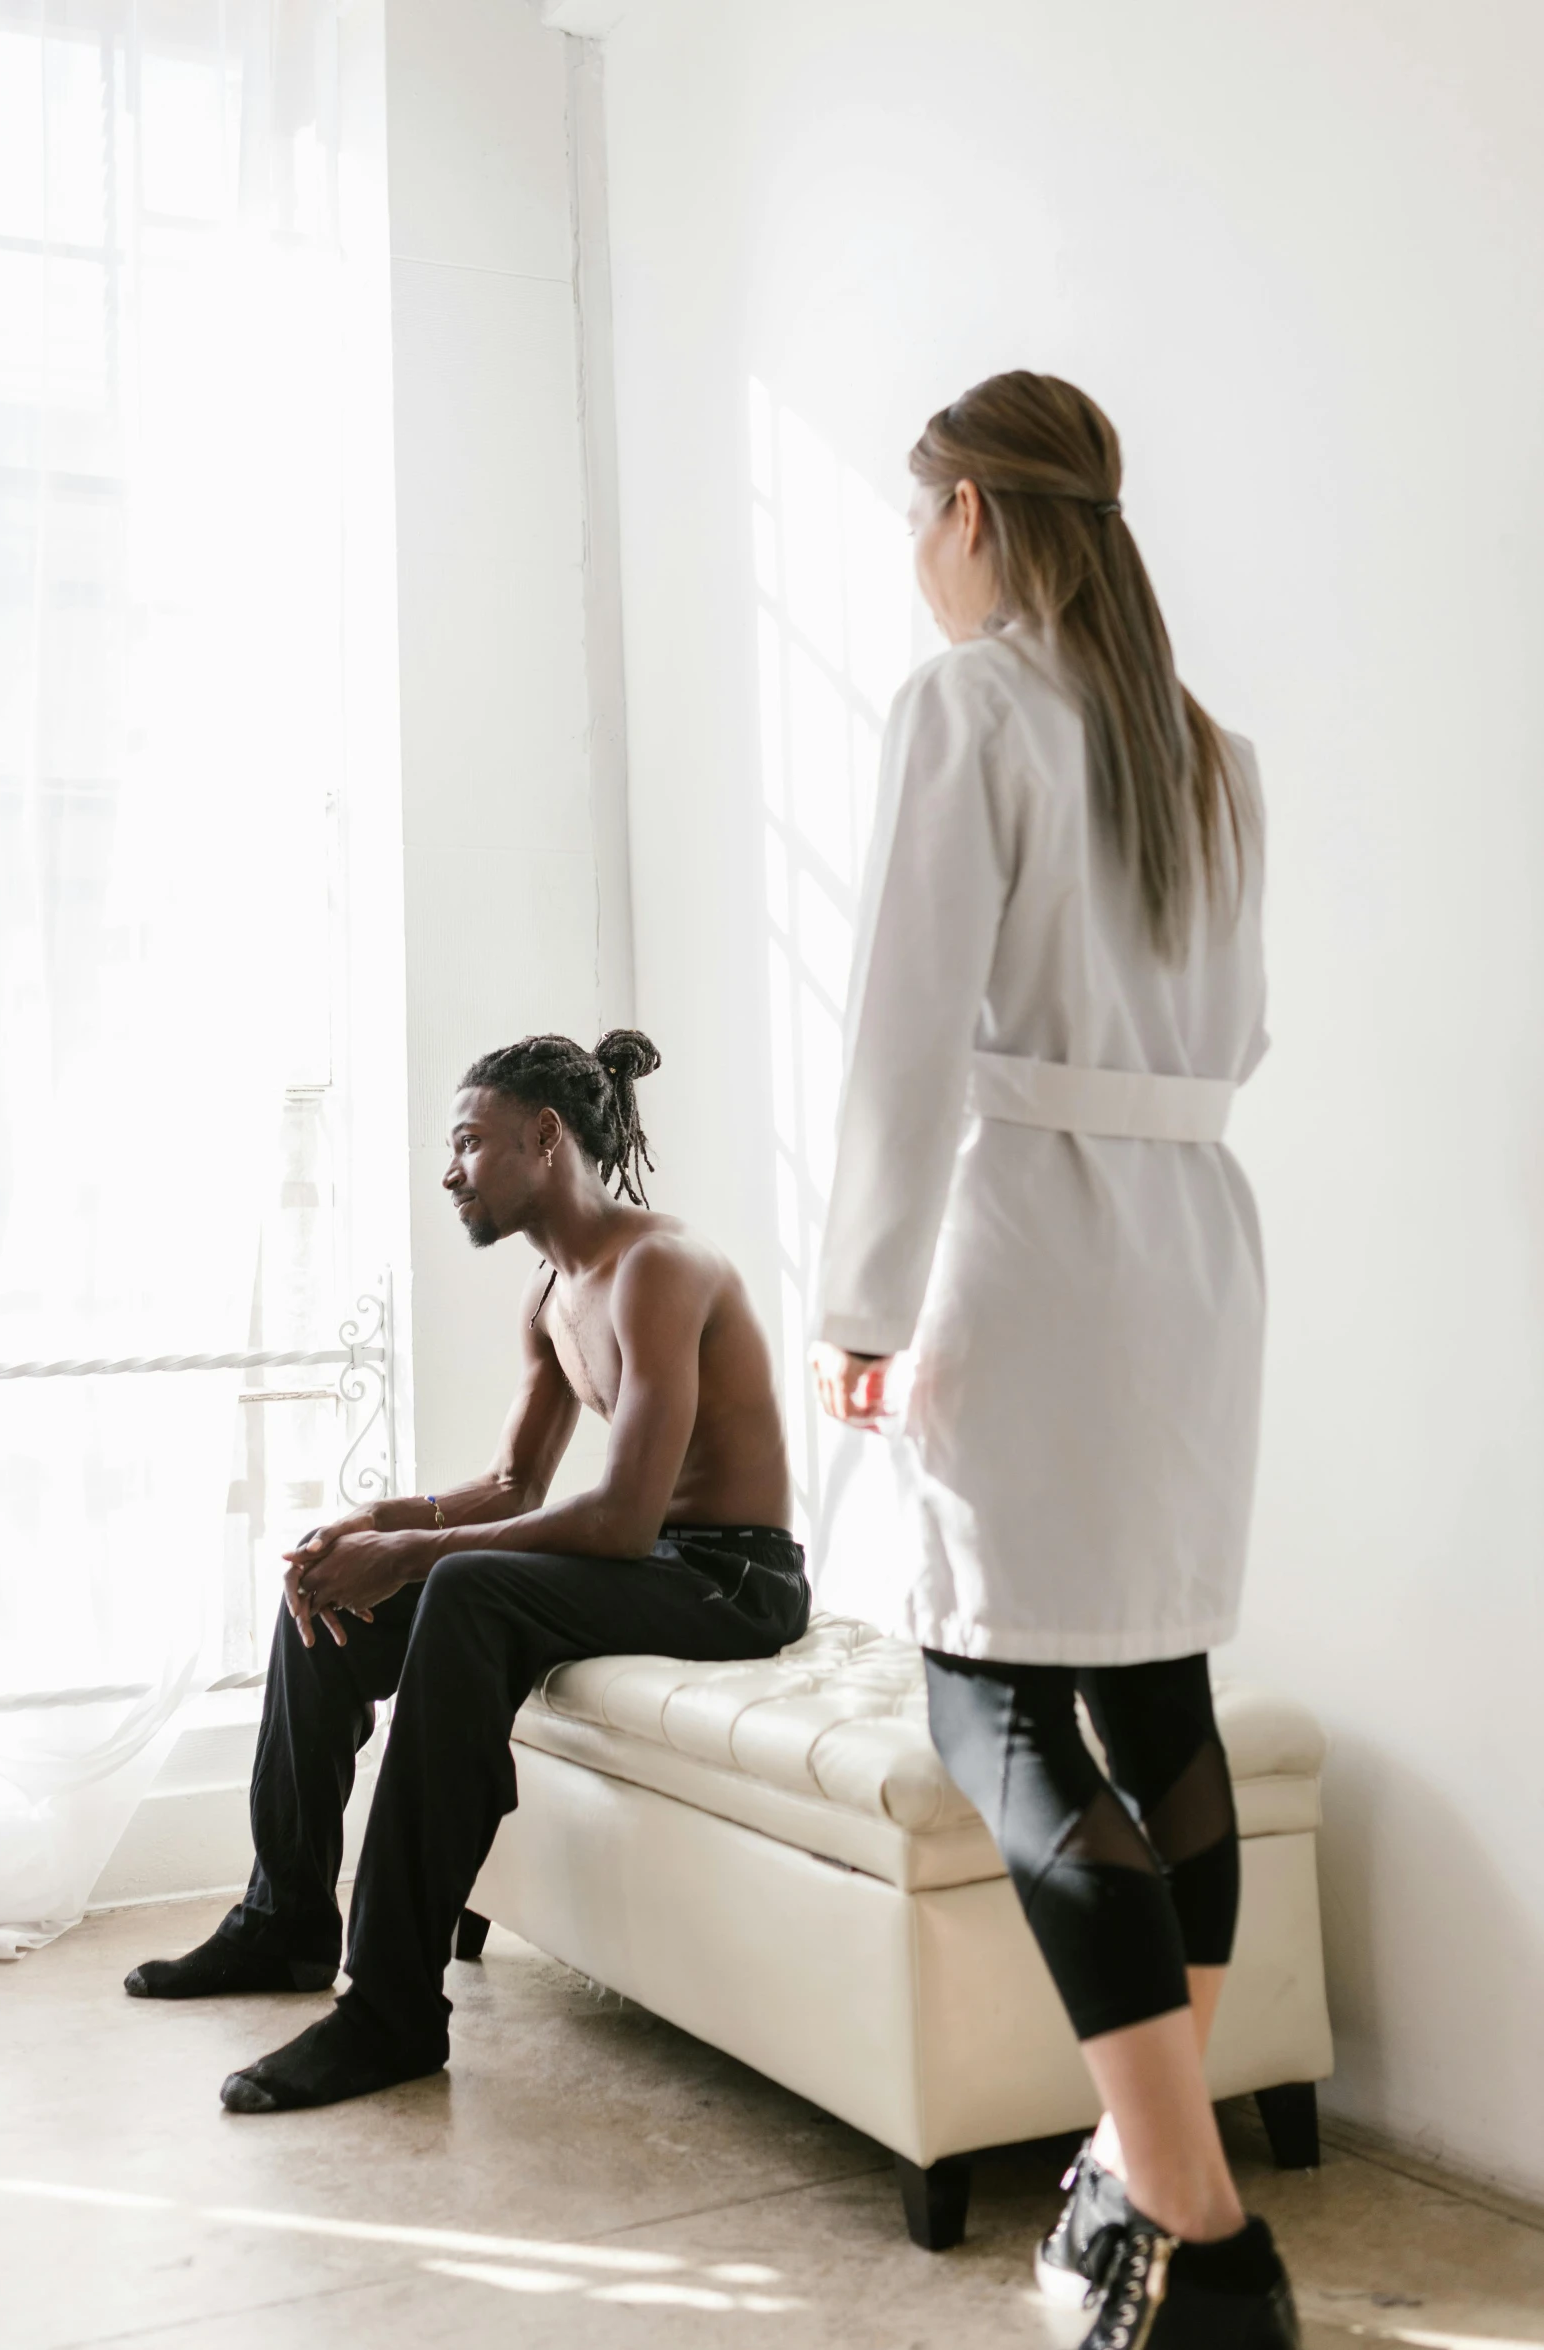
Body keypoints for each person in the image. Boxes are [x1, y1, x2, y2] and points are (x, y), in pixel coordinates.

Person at [810, 374, 1296, 2349]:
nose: (911, 550)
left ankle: (1197, 2218)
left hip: (1026, 1240)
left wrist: (860, 1289)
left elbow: (904, 1028)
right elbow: (1241, 1031)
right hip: (1193, 1247)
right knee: (1156, 1687)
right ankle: (1134, 2175)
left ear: (975, 516)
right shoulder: (1208, 748)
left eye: (911, 512)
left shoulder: (964, 709)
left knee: (990, 1695)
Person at [126, 1029, 807, 2112]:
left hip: (733, 1580)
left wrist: (415, 1555)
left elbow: (626, 1519)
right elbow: (512, 1485)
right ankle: (284, 1916)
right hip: (655, 1567)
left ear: (544, 1139)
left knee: (458, 1586)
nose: (450, 1171)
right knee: (333, 1583)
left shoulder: (659, 1268)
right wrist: (372, 1527)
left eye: (466, 1142)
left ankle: (391, 2008)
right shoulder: (551, 1294)